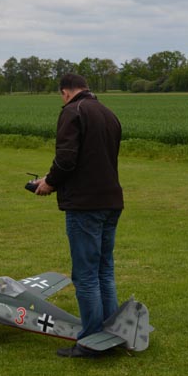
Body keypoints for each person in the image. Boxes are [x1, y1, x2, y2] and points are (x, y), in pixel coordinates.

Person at [33, 73, 124, 358]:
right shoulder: (109, 114)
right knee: (104, 270)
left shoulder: (73, 111)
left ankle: (90, 341)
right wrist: (55, 176)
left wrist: (49, 183)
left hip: (85, 205)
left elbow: (67, 158)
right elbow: (92, 159)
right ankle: (113, 332)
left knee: (85, 275)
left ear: (65, 92)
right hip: (111, 200)